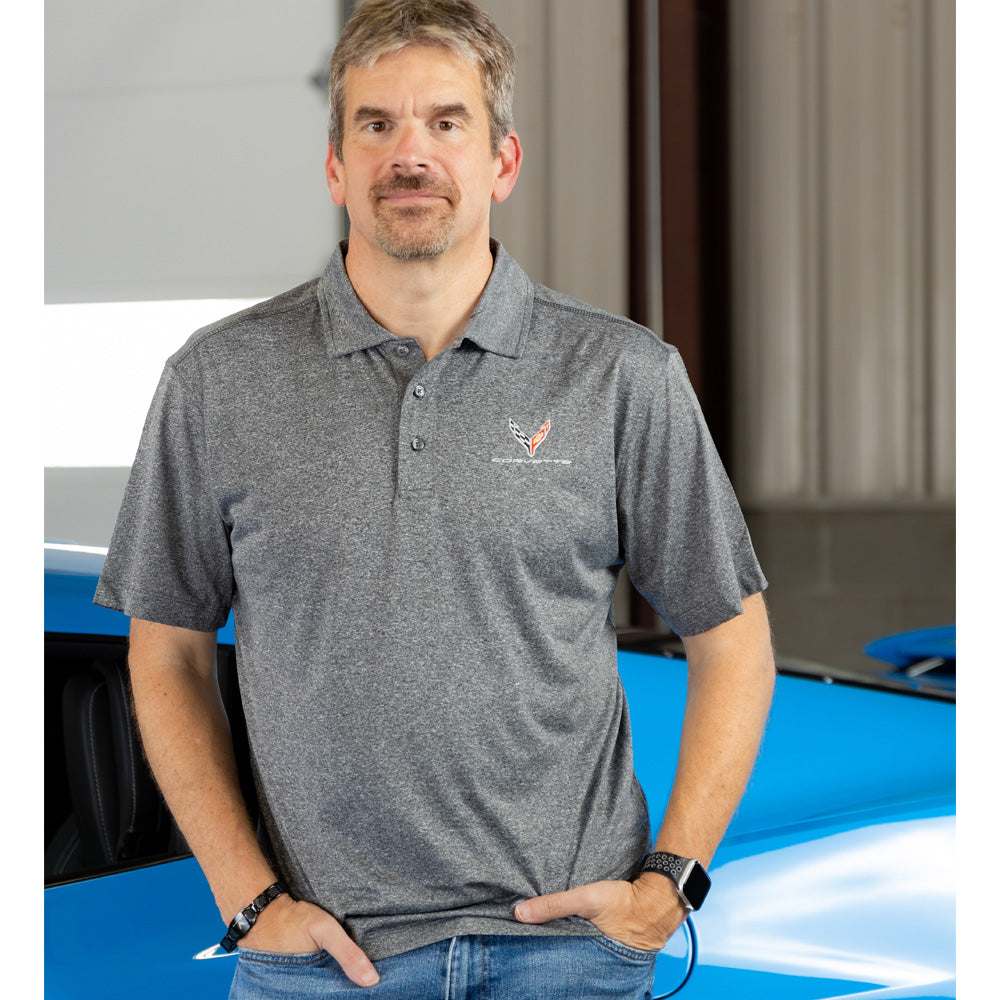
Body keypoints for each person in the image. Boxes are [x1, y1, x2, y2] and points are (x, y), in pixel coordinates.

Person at [94, 1, 775, 997]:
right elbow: (166, 652)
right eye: (376, 124)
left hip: (568, 956)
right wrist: (246, 899)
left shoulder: (621, 375)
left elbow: (733, 638)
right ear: (336, 166)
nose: (409, 154)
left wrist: (669, 884)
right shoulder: (219, 381)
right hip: (326, 966)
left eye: (446, 122)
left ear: (503, 161)